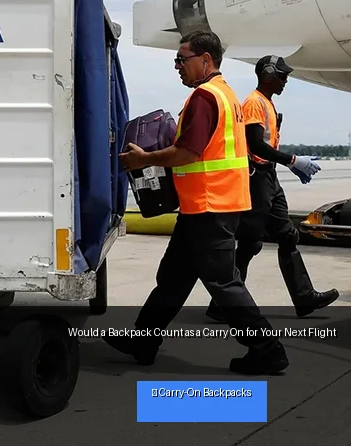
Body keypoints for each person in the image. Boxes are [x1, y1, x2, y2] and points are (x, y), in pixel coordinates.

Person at [108, 30, 289, 375]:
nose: (177, 66)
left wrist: (143, 159)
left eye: (182, 59)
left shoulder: (206, 97)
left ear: (206, 60)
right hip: (204, 206)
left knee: (223, 283)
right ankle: (143, 341)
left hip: (212, 207)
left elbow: (188, 152)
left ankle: (268, 350)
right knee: (173, 277)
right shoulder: (226, 95)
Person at [205, 55, 339, 324]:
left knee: (287, 236)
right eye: (282, 75)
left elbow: (267, 146)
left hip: (269, 178)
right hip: (257, 179)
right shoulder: (255, 103)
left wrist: (289, 166)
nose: (286, 80)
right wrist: (292, 159)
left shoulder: (266, 103)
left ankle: (304, 298)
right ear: (268, 74)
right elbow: (255, 145)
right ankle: (222, 305)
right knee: (250, 242)